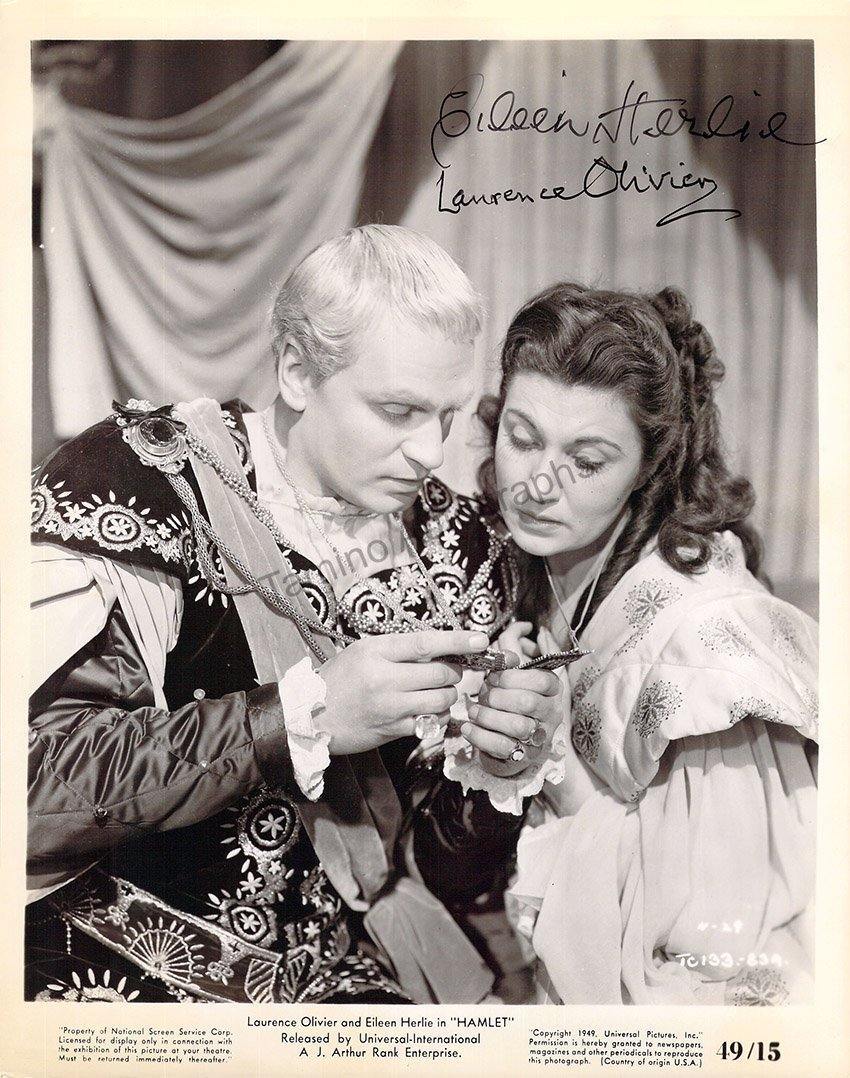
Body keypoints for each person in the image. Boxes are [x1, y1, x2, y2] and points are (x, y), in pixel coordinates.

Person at [27, 225, 563, 1004]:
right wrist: (303, 715)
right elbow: (36, 789)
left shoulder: (457, 542)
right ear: (298, 371)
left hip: (341, 976)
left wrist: (500, 762)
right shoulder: (143, 480)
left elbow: (448, 873)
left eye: (447, 416)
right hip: (123, 963)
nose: (429, 452)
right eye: (399, 410)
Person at [469, 282, 817, 1005]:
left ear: (649, 468)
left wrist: (552, 760)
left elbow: (711, 955)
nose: (538, 483)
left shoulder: (709, 651)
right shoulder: (522, 563)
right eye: (523, 439)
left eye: (587, 460)